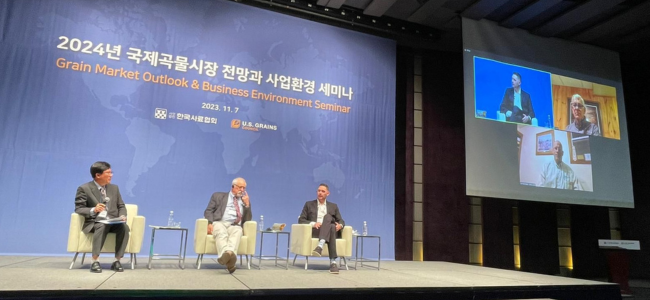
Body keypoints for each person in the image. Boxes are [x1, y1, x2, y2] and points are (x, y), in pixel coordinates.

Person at [74, 161, 129, 273]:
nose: (111, 175)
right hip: (95, 222)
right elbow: (79, 208)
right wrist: (94, 209)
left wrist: (122, 215)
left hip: (112, 221)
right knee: (101, 226)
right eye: (108, 173)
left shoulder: (114, 188)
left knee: (124, 227)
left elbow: (121, 205)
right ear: (98, 175)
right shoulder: (84, 188)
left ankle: (117, 261)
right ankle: (95, 261)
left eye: (111, 172)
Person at [204, 177, 252, 273]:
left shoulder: (244, 200)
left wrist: (247, 205)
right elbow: (208, 211)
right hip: (220, 222)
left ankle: (227, 255)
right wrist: (209, 223)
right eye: (240, 187)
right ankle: (230, 258)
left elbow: (247, 219)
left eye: (244, 188)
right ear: (233, 186)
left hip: (235, 225)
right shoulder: (218, 196)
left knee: (238, 231)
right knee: (221, 232)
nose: (242, 190)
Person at [298, 183, 345, 274]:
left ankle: (320, 246)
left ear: (328, 193)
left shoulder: (333, 206)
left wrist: (340, 225)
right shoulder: (309, 204)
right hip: (317, 230)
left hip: (329, 230)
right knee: (331, 227)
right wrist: (313, 223)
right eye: (319, 191)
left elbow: (341, 220)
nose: (320, 193)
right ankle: (333, 263)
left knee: (328, 217)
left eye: (323, 191)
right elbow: (301, 220)